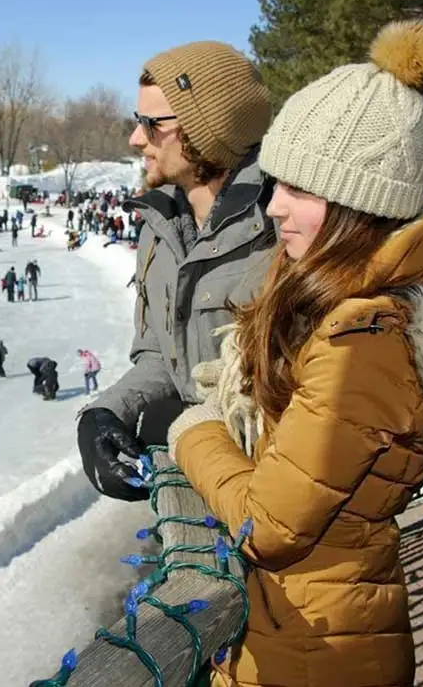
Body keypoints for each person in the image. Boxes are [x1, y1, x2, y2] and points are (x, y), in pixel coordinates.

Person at [165, 20, 423, 687]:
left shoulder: (365, 338)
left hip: (320, 652)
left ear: (361, 206)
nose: (274, 209)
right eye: (275, 183)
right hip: (309, 627)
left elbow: (269, 524)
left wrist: (192, 432)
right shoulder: (356, 302)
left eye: (300, 190)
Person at [76, 39, 276, 502]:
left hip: (277, 515)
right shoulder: (161, 226)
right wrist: (108, 412)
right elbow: (162, 359)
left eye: (152, 124)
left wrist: (192, 422)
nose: (136, 138)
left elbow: (312, 402)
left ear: (206, 129)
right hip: (198, 492)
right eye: (137, 121)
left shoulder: (283, 229)